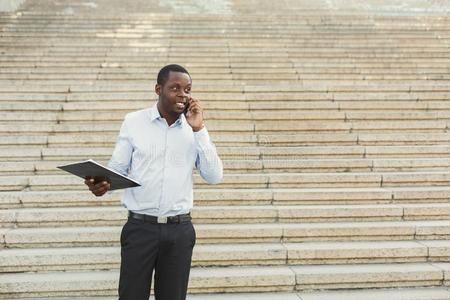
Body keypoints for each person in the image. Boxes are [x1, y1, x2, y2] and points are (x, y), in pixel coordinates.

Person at [84, 64, 223, 300]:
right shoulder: (133, 122)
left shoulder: (194, 129)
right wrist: (101, 185)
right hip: (140, 229)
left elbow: (214, 176)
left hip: (180, 231)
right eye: (175, 88)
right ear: (158, 89)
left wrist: (199, 129)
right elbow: (117, 170)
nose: (182, 94)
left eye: (187, 89)